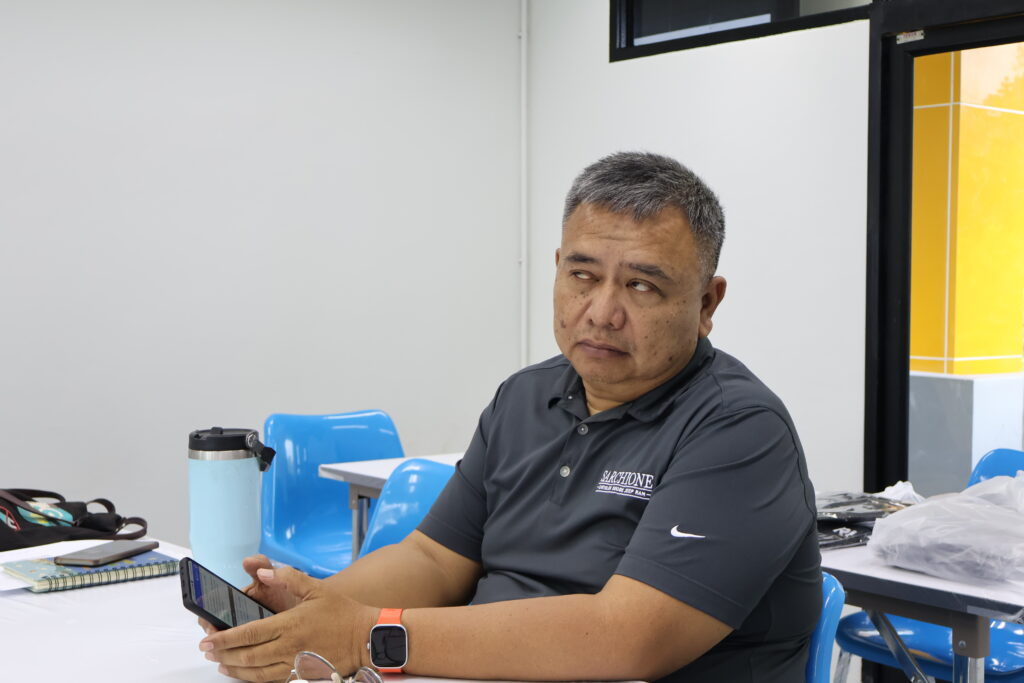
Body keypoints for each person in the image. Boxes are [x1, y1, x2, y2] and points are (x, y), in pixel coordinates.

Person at [198, 151, 821, 682]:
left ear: (707, 303)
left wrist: (366, 635)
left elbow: (627, 637)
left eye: (641, 286)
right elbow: (434, 559)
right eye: (583, 275)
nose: (601, 312)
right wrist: (316, 609)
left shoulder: (739, 429)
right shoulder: (524, 398)